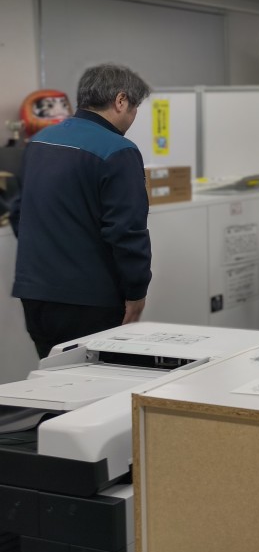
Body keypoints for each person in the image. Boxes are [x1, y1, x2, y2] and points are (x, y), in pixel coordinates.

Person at [10, 63, 152, 358]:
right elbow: (126, 231)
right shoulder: (118, 150)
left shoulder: (38, 142)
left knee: (54, 377)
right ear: (121, 100)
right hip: (91, 300)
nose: (133, 116)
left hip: (35, 294)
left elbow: (17, 213)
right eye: (134, 107)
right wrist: (136, 292)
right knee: (97, 381)